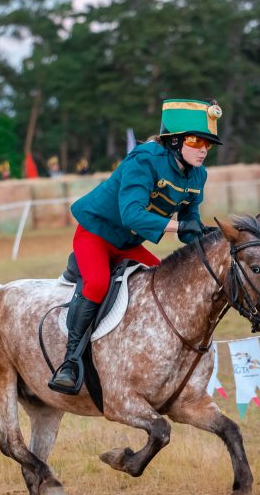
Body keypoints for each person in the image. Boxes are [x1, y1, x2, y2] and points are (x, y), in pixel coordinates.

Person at [49, 98, 220, 394]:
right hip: (96, 234)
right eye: (196, 140)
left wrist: (209, 239)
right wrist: (181, 226)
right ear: (175, 140)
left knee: (165, 282)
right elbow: (132, 214)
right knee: (98, 283)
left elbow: (188, 227)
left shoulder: (198, 175)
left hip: (127, 244)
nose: (203, 149)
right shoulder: (144, 159)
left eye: (208, 143)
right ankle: (70, 361)